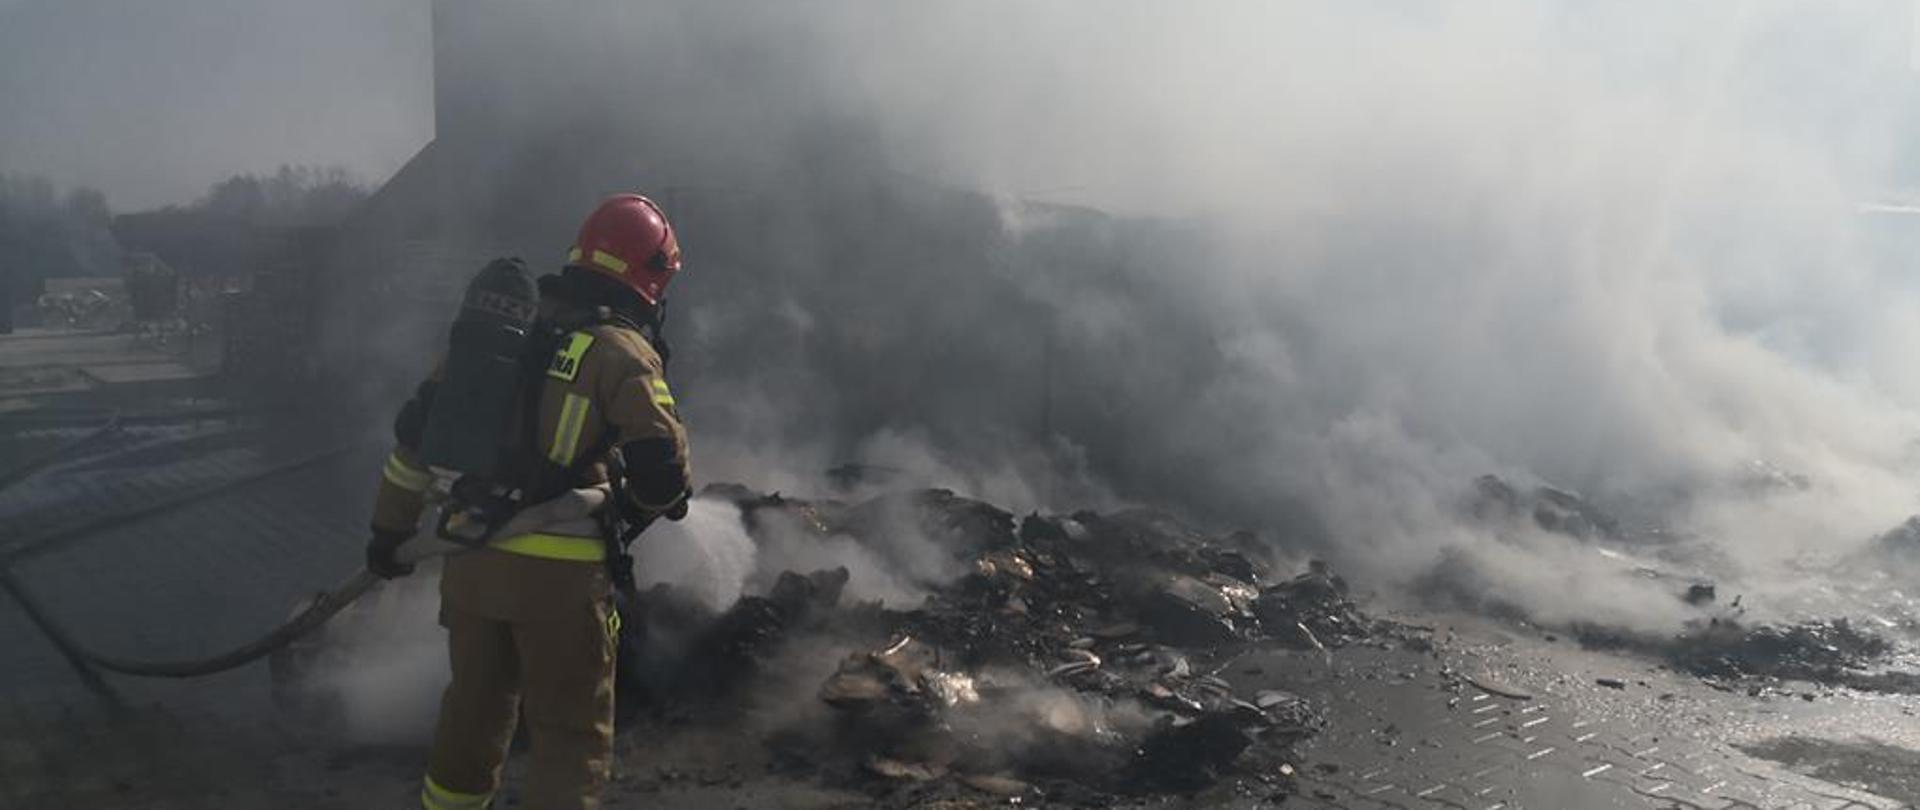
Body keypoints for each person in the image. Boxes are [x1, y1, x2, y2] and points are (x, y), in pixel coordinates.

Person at [364, 194, 693, 810]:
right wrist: (634, 507)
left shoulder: (496, 337)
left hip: (470, 569)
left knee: (472, 713)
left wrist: (387, 535)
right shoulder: (620, 352)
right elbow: (664, 473)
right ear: (650, 275)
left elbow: (413, 446)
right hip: (561, 589)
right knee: (569, 736)